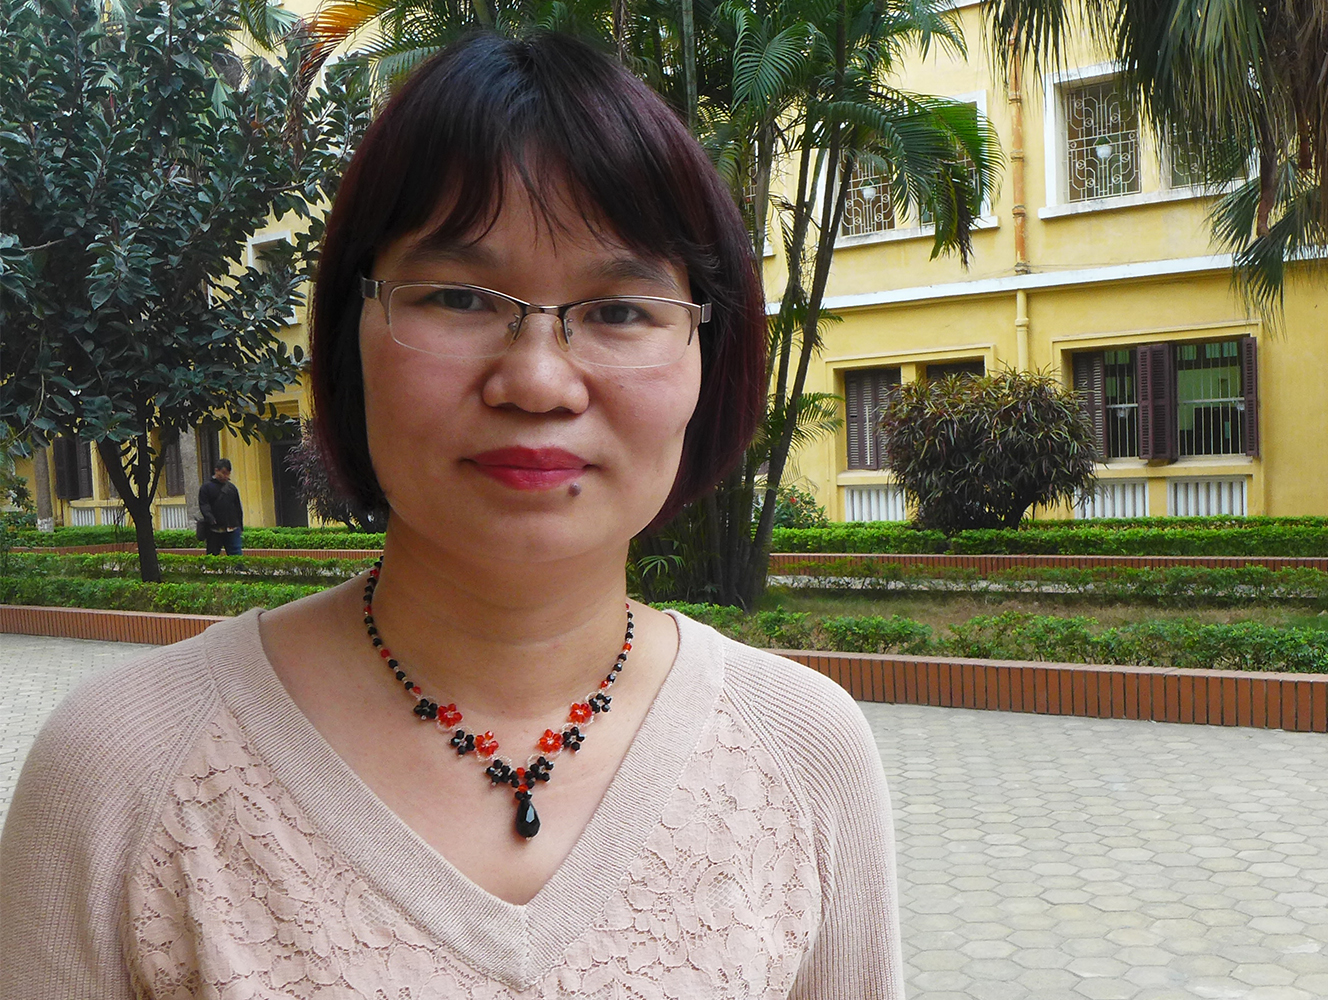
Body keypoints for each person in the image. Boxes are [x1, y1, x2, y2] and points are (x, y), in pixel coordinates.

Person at [0, 31, 903, 999]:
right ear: (352, 340)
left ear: (706, 358)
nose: (539, 380)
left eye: (620, 310)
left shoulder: (803, 751)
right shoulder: (127, 769)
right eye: (462, 296)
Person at [196, 457, 245, 555]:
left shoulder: (232, 488)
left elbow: (237, 508)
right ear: (216, 470)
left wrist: (240, 525)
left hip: (232, 528)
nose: (225, 476)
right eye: (223, 473)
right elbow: (204, 505)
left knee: (237, 556)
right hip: (214, 529)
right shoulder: (206, 487)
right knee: (213, 556)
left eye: (228, 474)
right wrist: (211, 519)